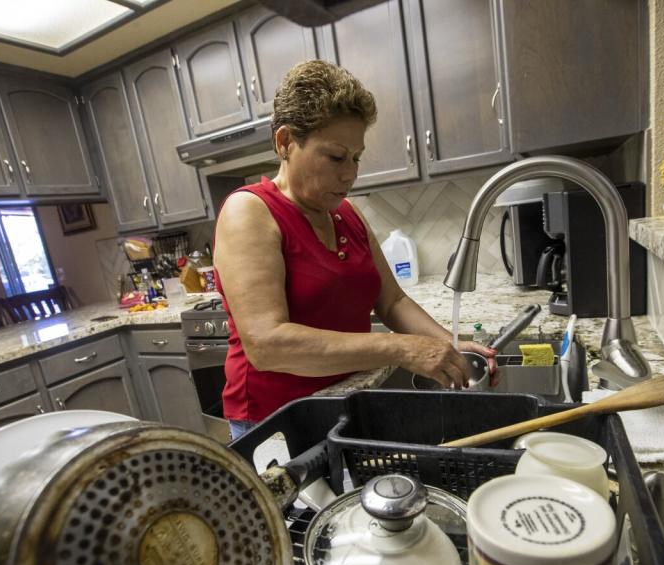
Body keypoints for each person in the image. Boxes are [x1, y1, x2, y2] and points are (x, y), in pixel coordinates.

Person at [213, 60, 497, 439]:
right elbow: (267, 345)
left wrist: (448, 342)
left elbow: (392, 301)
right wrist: (400, 349)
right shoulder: (250, 211)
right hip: (279, 423)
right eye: (335, 157)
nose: (350, 173)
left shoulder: (347, 214)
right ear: (285, 143)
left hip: (347, 404)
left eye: (356, 157)